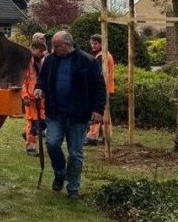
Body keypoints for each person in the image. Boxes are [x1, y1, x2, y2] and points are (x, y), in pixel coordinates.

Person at [34, 31, 106, 199]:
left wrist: (98, 109)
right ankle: (60, 173)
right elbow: (42, 79)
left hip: (78, 114)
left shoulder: (87, 61)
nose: (52, 48)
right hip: (55, 112)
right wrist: (39, 88)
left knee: (75, 153)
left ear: (67, 44)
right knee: (52, 143)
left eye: (56, 45)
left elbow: (99, 87)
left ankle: (73, 187)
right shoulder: (50, 60)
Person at [85, 34, 115, 145]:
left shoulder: (101, 56)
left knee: (96, 110)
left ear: (101, 43)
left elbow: (97, 74)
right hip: (108, 87)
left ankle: (92, 136)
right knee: (105, 112)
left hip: (102, 87)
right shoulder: (105, 54)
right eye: (92, 43)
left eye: (95, 43)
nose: (93, 46)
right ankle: (106, 135)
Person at [22, 41, 47, 155]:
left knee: (41, 122)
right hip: (31, 98)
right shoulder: (27, 62)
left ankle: (27, 135)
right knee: (33, 123)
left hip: (39, 97)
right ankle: (31, 147)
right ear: (33, 49)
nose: (43, 53)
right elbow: (22, 80)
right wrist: (25, 96)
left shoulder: (39, 61)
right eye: (40, 51)